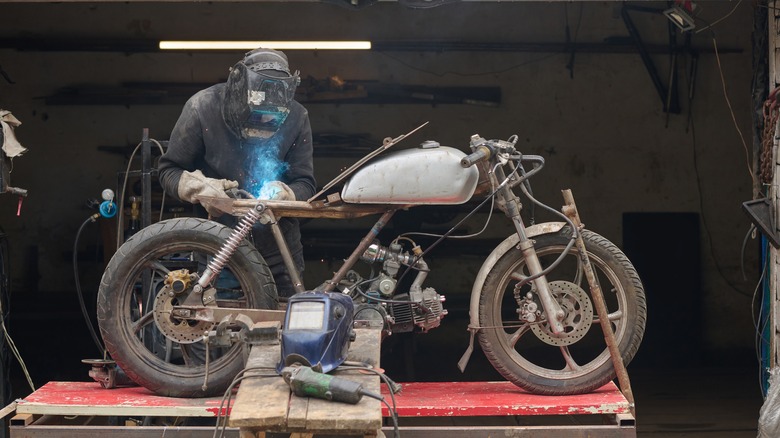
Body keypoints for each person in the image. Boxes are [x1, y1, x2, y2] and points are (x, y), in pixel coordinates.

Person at [158, 47, 315, 298]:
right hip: (219, 250)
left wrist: (285, 194)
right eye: (257, 115)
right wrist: (200, 188)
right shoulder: (203, 107)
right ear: (239, 89)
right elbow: (168, 171)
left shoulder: (296, 116)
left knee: (286, 329)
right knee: (219, 333)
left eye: (270, 118)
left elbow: (305, 183)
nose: (263, 122)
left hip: (279, 252)